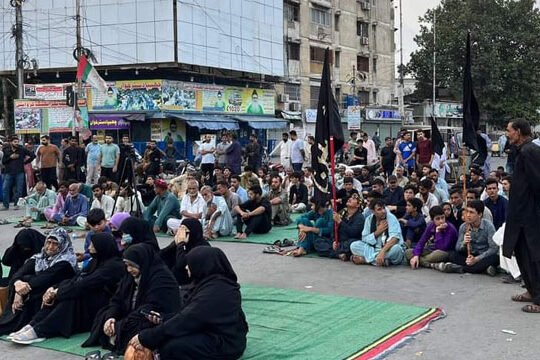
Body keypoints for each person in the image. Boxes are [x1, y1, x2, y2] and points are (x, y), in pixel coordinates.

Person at [130, 247, 248, 360]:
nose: (186, 267)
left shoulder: (216, 292)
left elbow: (188, 319)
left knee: (172, 347)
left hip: (226, 343)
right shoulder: (209, 284)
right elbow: (192, 316)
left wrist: (147, 337)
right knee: (167, 337)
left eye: (190, 263)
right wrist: (164, 319)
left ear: (202, 264)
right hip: (214, 332)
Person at [10, 233, 124, 344]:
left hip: (102, 305)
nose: (89, 248)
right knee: (61, 293)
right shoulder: (96, 261)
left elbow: (86, 283)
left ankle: (40, 331)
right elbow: (79, 277)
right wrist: (54, 288)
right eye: (48, 242)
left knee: (70, 298)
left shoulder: (113, 266)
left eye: (93, 246)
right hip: (89, 295)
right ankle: (33, 325)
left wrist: (57, 291)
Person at [82, 243, 181, 354]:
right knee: (104, 313)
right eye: (127, 265)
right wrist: (111, 317)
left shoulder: (161, 278)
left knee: (141, 326)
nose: (129, 269)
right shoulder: (130, 276)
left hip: (152, 318)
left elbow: (150, 308)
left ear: (142, 263)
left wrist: (121, 324)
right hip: (130, 314)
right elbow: (117, 299)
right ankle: (116, 336)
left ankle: (118, 338)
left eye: (132, 266)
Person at [0, 228, 77, 336]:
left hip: (53, 295)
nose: (50, 247)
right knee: (23, 279)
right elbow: (18, 273)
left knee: (29, 282)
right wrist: (17, 283)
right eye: (48, 242)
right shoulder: (40, 257)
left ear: (62, 245)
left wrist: (20, 290)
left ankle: (27, 327)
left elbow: (44, 279)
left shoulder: (65, 262)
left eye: (55, 244)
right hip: (35, 291)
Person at [503, 119, 540, 313]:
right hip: (519, 213)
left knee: (534, 255)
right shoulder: (521, 151)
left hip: (530, 214)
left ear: (518, 132)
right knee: (521, 251)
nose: (507, 134)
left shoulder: (530, 152)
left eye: (509, 130)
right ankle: (531, 289)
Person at [436, 200, 498, 276]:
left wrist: (476, 259)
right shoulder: (463, 226)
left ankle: (460, 268)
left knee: (495, 258)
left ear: (480, 214)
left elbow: (493, 248)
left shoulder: (488, 226)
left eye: (471, 212)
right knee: (452, 255)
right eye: (467, 212)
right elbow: (458, 248)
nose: (468, 215)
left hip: (483, 256)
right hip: (469, 255)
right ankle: (484, 269)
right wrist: (464, 243)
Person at [350, 199, 405, 266]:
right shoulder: (369, 219)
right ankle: (381, 260)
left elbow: (394, 239)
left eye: (384, 208)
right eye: (379, 209)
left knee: (397, 249)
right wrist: (377, 232)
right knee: (354, 246)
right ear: (373, 211)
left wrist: (382, 252)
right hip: (373, 249)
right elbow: (364, 238)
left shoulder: (391, 218)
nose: (383, 211)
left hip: (388, 249)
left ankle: (365, 260)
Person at [160, 218, 210, 285]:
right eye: (180, 229)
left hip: (192, 281)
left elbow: (181, 264)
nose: (181, 233)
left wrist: (180, 245)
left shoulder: (202, 246)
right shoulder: (183, 241)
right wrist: (175, 243)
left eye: (184, 230)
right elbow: (160, 255)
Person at [318, 194, 365, 260]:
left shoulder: (360, 217)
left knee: (352, 244)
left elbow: (353, 233)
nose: (350, 199)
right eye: (350, 197)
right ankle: (339, 254)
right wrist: (334, 240)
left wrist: (340, 221)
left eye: (353, 199)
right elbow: (334, 229)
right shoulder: (343, 213)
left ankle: (336, 252)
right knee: (319, 241)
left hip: (349, 241)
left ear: (358, 205)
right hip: (339, 241)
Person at [2, 136, 35, 210]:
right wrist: (10, 157)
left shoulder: (22, 149)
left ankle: (16, 204)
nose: (16, 143)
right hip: (8, 172)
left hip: (19, 172)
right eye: (15, 142)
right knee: (5, 188)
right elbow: (3, 161)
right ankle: (5, 205)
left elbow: (33, 156)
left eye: (17, 142)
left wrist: (25, 162)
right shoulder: (6, 150)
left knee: (19, 189)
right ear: (11, 142)